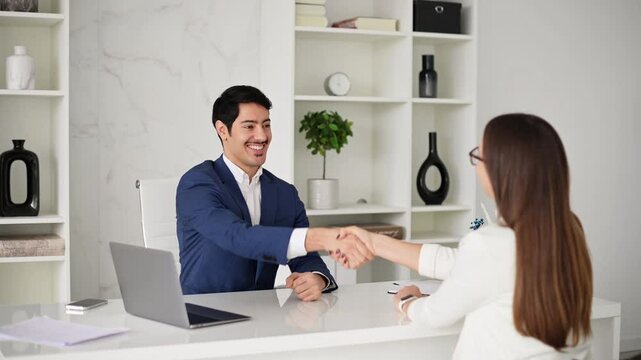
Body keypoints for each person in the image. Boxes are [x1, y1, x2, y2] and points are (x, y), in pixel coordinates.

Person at [337, 114, 593, 359]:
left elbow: (434, 315)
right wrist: (372, 241)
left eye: (479, 156)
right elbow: (458, 263)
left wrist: (407, 300)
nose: (477, 164)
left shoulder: (490, 244)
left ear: (503, 171)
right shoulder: (569, 229)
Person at [176, 85, 372, 302]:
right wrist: (322, 237)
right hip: (204, 313)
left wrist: (317, 279)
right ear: (223, 130)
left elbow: (306, 257)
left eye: (266, 125)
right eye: (249, 126)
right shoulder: (197, 185)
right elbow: (237, 237)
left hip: (264, 315)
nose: (261, 136)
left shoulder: (284, 193)